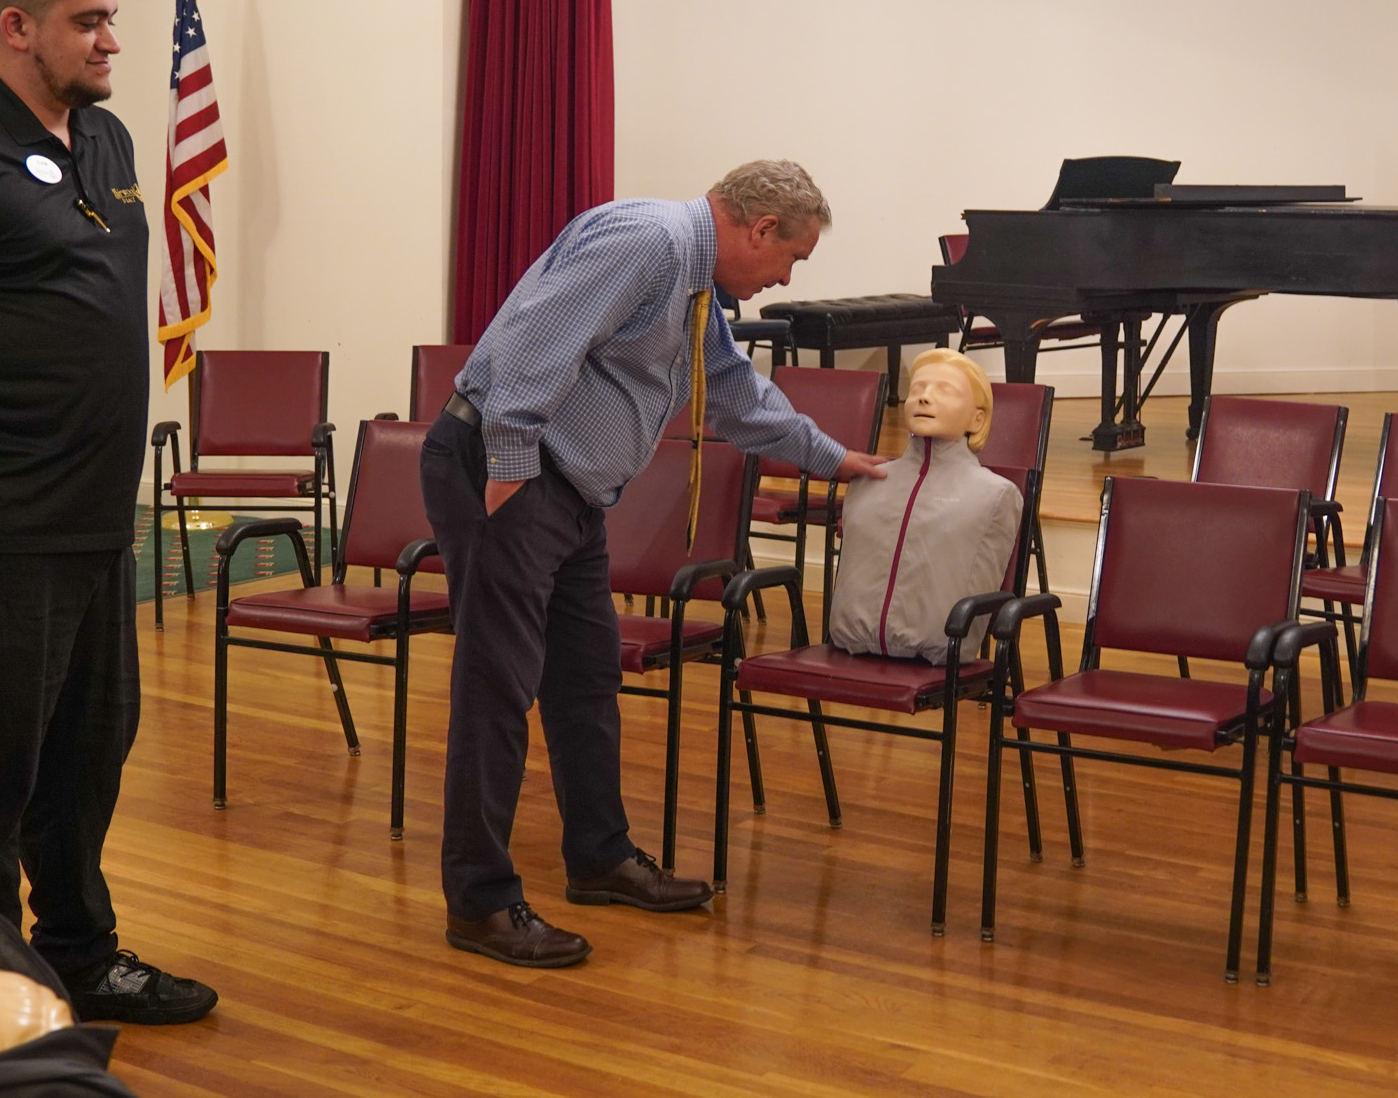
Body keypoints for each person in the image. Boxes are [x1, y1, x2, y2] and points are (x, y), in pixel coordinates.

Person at [423, 159, 890, 968]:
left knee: (586, 676)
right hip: (515, 472)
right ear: (761, 228)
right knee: (498, 686)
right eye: (791, 257)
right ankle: (480, 900)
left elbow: (733, 390)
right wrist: (509, 462)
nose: (785, 279)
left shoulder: (693, 277)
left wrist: (833, 458)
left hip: (569, 488)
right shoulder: (651, 241)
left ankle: (599, 856)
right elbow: (537, 339)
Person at [0, 0, 218, 1024]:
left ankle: (80, 955)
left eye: (112, 18)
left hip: (94, 527)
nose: (111, 40)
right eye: (88, 21)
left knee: (86, 764)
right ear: (16, 27)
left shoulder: (106, 136)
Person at [828, 349, 1021, 664]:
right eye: (916, 388)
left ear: (977, 418)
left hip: (943, 653)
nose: (924, 397)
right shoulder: (867, 481)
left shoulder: (996, 494)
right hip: (850, 644)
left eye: (945, 390)